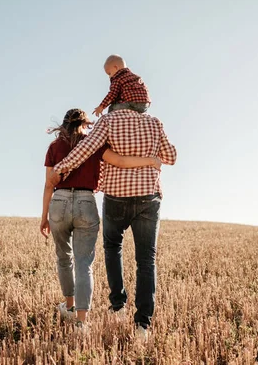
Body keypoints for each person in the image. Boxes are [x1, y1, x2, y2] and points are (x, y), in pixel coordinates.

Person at [50, 107, 177, 341]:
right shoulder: (154, 123)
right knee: (146, 260)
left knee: (109, 249)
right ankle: (142, 326)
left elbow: (83, 152)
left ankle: (116, 306)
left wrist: (59, 170)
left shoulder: (107, 122)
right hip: (148, 194)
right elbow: (170, 157)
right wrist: (151, 158)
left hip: (108, 197)